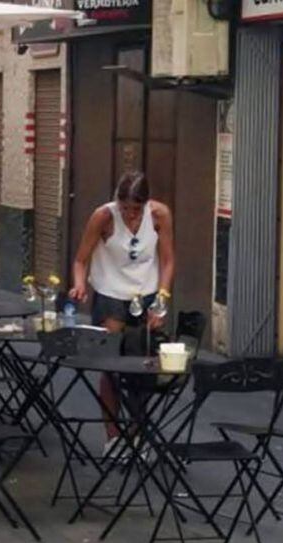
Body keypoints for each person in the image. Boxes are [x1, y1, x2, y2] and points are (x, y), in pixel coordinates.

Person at [68, 171, 175, 456]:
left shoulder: (160, 215)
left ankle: (136, 433)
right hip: (111, 293)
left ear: (146, 204)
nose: (130, 215)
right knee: (111, 366)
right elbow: (81, 259)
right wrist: (80, 284)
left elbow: (167, 260)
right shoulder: (103, 217)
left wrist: (162, 298)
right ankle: (113, 436)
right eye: (125, 208)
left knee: (144, 365)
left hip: (147, 293)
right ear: (117, 202)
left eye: (136, 209)